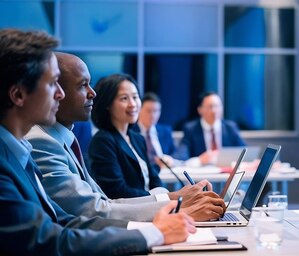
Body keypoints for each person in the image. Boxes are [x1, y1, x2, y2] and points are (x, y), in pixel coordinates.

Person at [0, 29, 194, 255]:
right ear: (18, 95)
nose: (60, 94)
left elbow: (65, 222)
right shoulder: (10, 160)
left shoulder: (20, 153)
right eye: (53, 83)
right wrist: (157, 232)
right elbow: (49, 242)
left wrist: (156, 228)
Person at [26, 52, 225, 222]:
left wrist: (174, 199)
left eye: (135, 97)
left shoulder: (68, 139)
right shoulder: (46, 141)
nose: (91, 93)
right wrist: (175, 206)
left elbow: (104, 203)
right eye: (82, 85)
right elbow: (95, 209)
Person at [88, 74, 166, 198]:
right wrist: (157, 197)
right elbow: (116, 191)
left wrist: (165, 195)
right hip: (128, 215)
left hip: (152, 211)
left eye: (135, 97)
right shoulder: (102, 141)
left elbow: (154, 179)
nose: (133, 104)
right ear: (107, 104)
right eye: (124, 98)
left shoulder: (137, 138)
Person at [179, 91, 246, 167]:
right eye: (210, 107)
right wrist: (199, 160)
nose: (214, 111)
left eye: (217, 106)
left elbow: (243, 152)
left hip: (225, 170)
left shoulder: (230, 127)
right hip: (201, 173)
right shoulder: (191, 129)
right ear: (200, 110)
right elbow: (182, 155)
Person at [134, 92, 178, 170]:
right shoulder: (131, 131)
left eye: (156, 111)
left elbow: (174, 154)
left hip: (165, 174)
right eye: (149, 111)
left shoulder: (165, 131)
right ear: (139, 110)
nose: (152, 115)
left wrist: (169, 160)